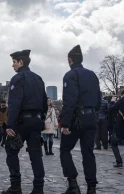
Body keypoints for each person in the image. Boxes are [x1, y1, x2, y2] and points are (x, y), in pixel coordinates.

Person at [2, 50, 48, 194]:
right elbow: (44, 103)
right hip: (36, 121)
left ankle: (15, 186)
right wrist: (41, 119)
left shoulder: (18, 78)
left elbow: (15, 103)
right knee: (36, 155)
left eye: (14, 62)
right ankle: (38, 188)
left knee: (11, 150)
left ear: (21, 62)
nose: (12, 65)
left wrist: (10, 125)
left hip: (22, 122)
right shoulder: (38, 78)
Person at [60, 45, 101, 194]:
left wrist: (65, 123)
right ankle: (92, 187)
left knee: (65, 149)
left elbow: (70, 100)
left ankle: (73, 184)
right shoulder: (92, 75)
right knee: (88, 153)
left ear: (70, 60)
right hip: (91, 117)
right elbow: (98, 98)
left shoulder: (70, 75)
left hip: (77, 118)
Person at [111, 90, 124, 168]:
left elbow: (112, 108)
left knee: (114, 143)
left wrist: (113, 101)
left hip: (120, 126)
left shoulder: (122, 100)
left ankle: (119, 161)